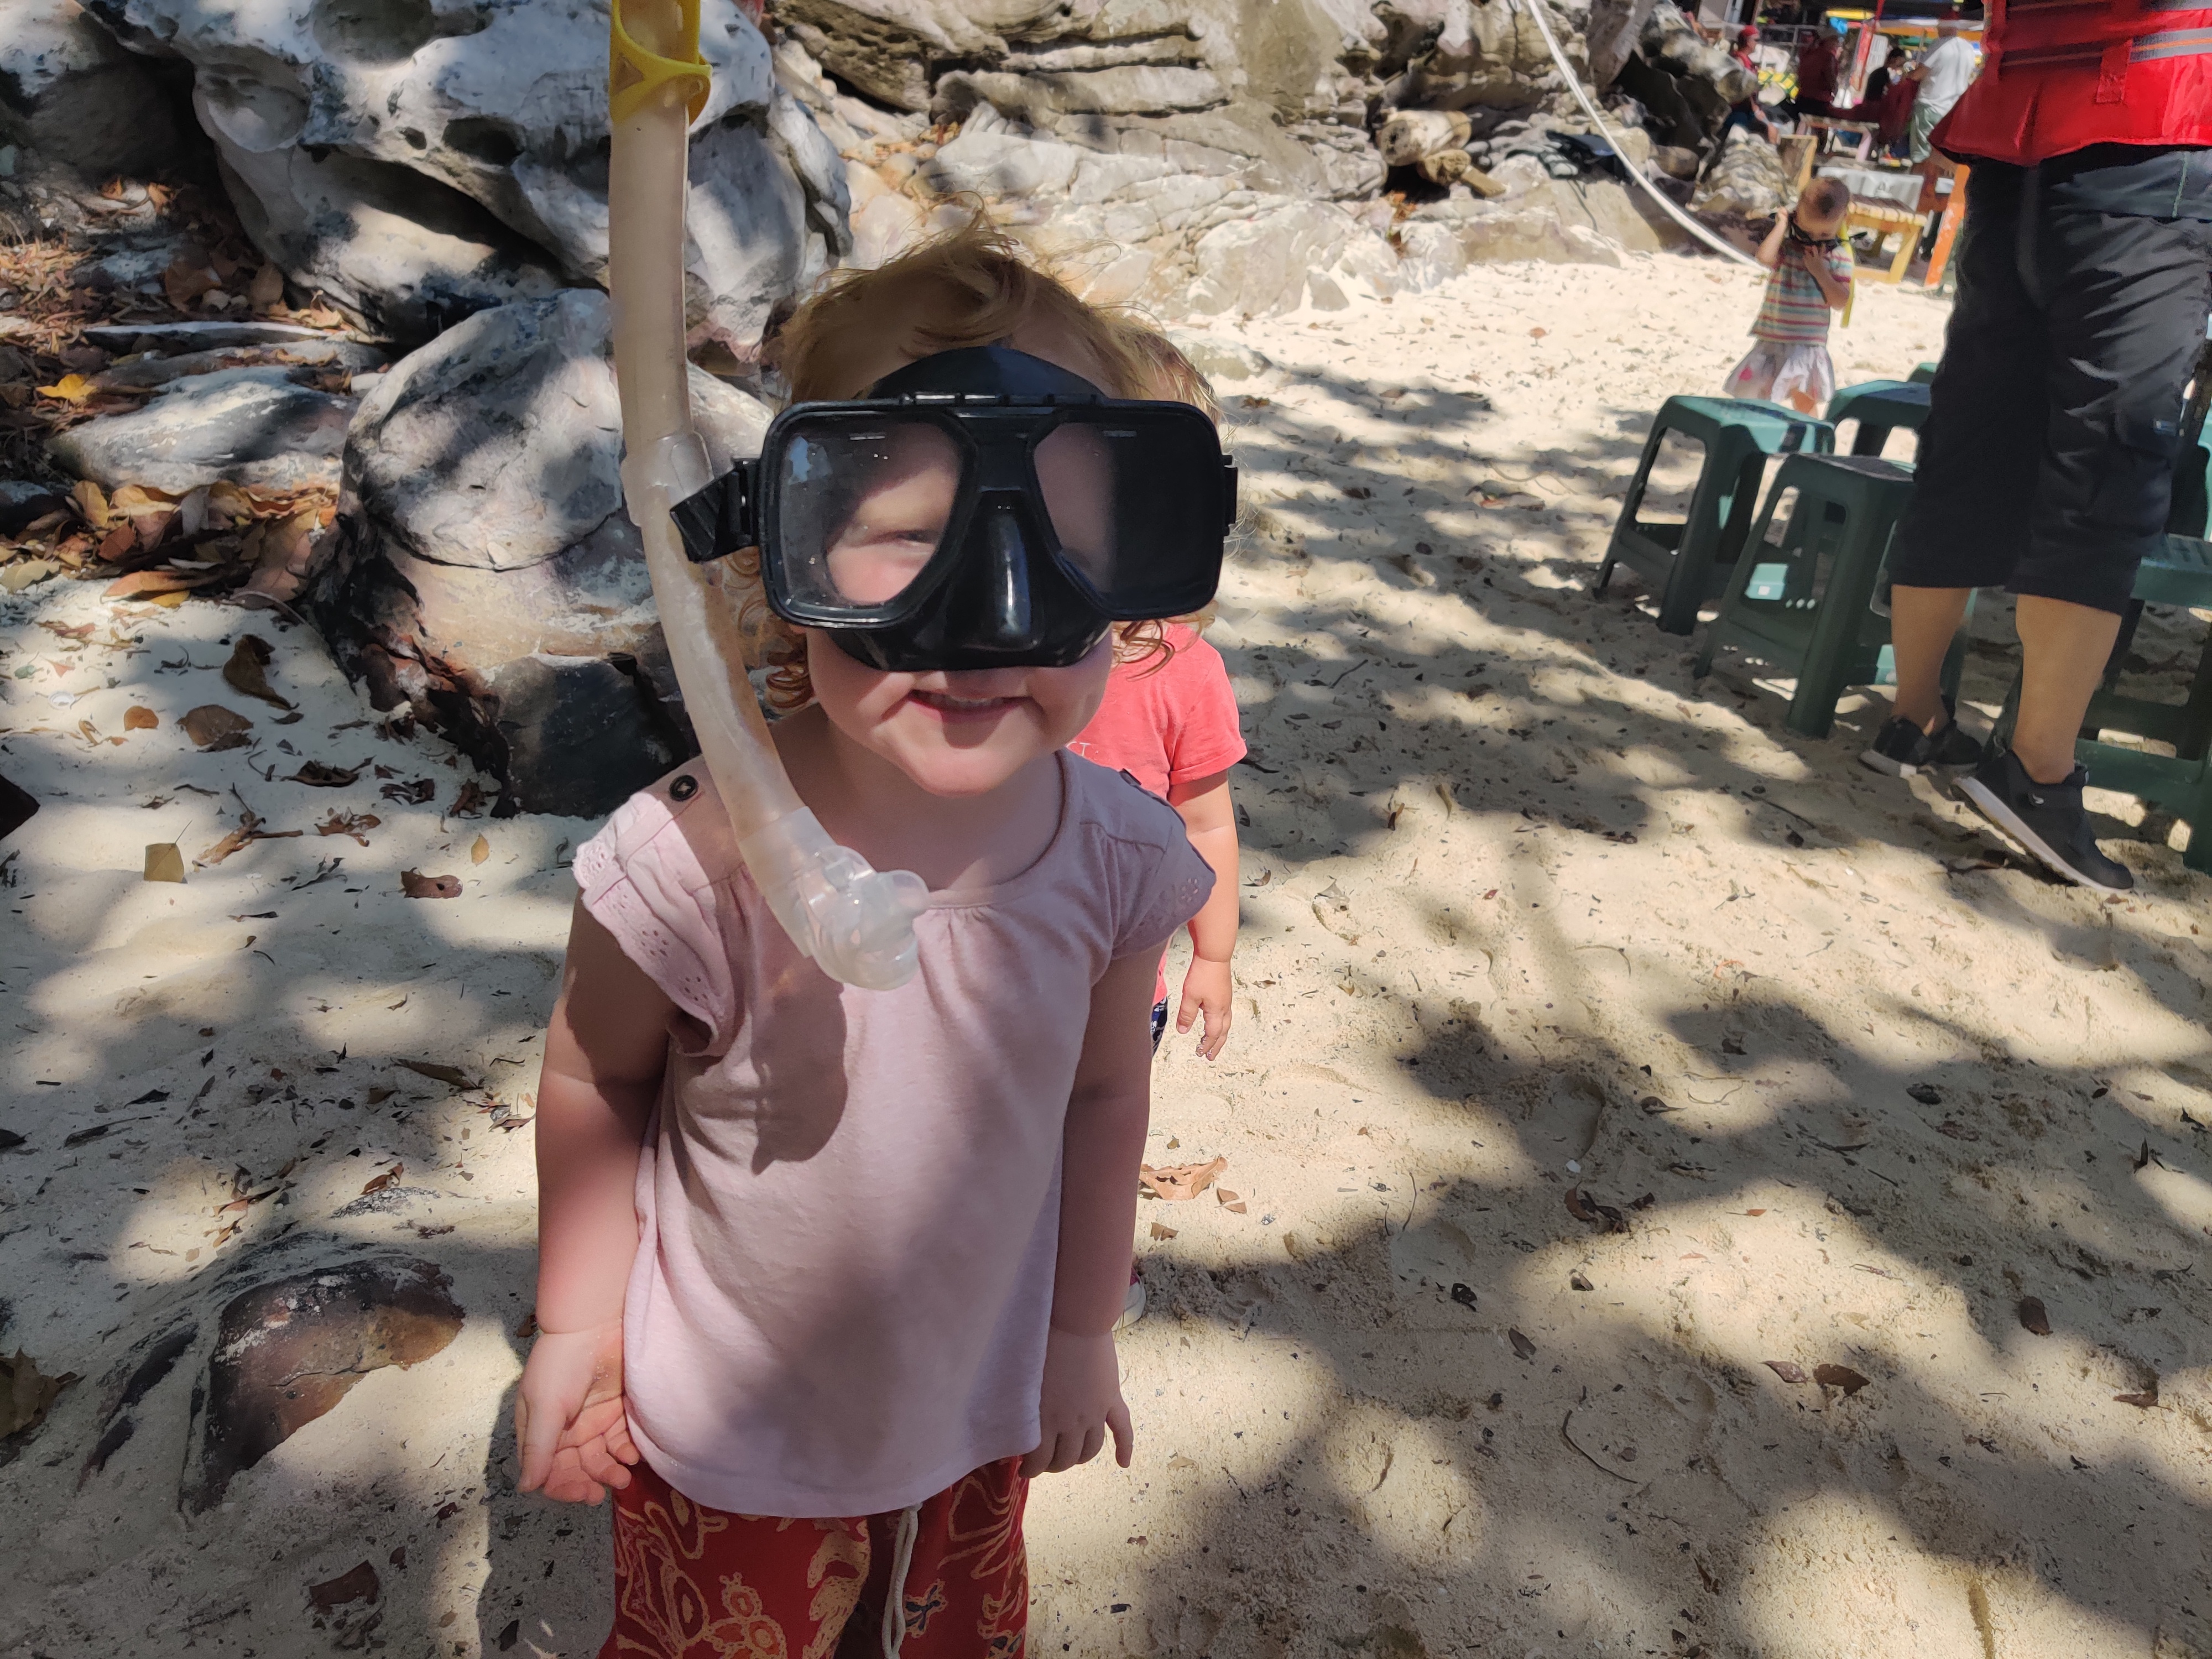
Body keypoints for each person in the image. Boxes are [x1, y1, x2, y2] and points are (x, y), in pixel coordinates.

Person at [513, 222, 1225, 1656]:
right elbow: (597, 1077)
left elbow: (1104, 1095)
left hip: (974, 1400)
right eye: (908, 537)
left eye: (1058, 544)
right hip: (732, 1424)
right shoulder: (690, 859)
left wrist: (1079, 1333)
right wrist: (574, 1324)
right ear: (788, 543)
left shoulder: (1116, 858)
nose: (990, 615)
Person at [1862, 0, 2212, 891]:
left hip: (2017, 144)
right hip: (2158, 137)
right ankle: (2038, 775)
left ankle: (1915, 718)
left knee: (1974, 435)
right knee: (2110, 459)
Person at [1725, 176, 1855, 415]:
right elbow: (1764, 258)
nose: (1814, 240)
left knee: (1804, 399)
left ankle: (1809, 432)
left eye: (1824, 234)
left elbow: (1840, 302)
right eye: (1808, 231)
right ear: (1796, 217)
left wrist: (1820, 272)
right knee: (1756, 394)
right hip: (1772, 336)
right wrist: (1781, 225)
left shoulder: (1837, 257)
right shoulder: (1787, 249)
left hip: (1807, 344)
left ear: (1843, 219)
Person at [1904, 17, 1978, 163]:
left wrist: (1908, 74)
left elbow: (1918, 75)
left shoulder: (1940, 45)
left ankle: (1919, 173)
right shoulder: (1969, 48)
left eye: (1939, 26)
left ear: (1947, 27)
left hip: (1931, 104)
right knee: (1941, 152)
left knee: (1922, 152)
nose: (1937, 29)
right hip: (1953, 109)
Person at [1791, 26, 1841, 118]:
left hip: (1802, 98)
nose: (1837, 43)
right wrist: (1834, 90)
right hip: (1819, 102)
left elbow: (1800, 77)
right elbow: (1830, 77)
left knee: (1799, 125)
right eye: (1835, 40)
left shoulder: (1808, 54)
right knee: (1817, 126)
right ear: (1827, 40)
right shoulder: (1828, 58)